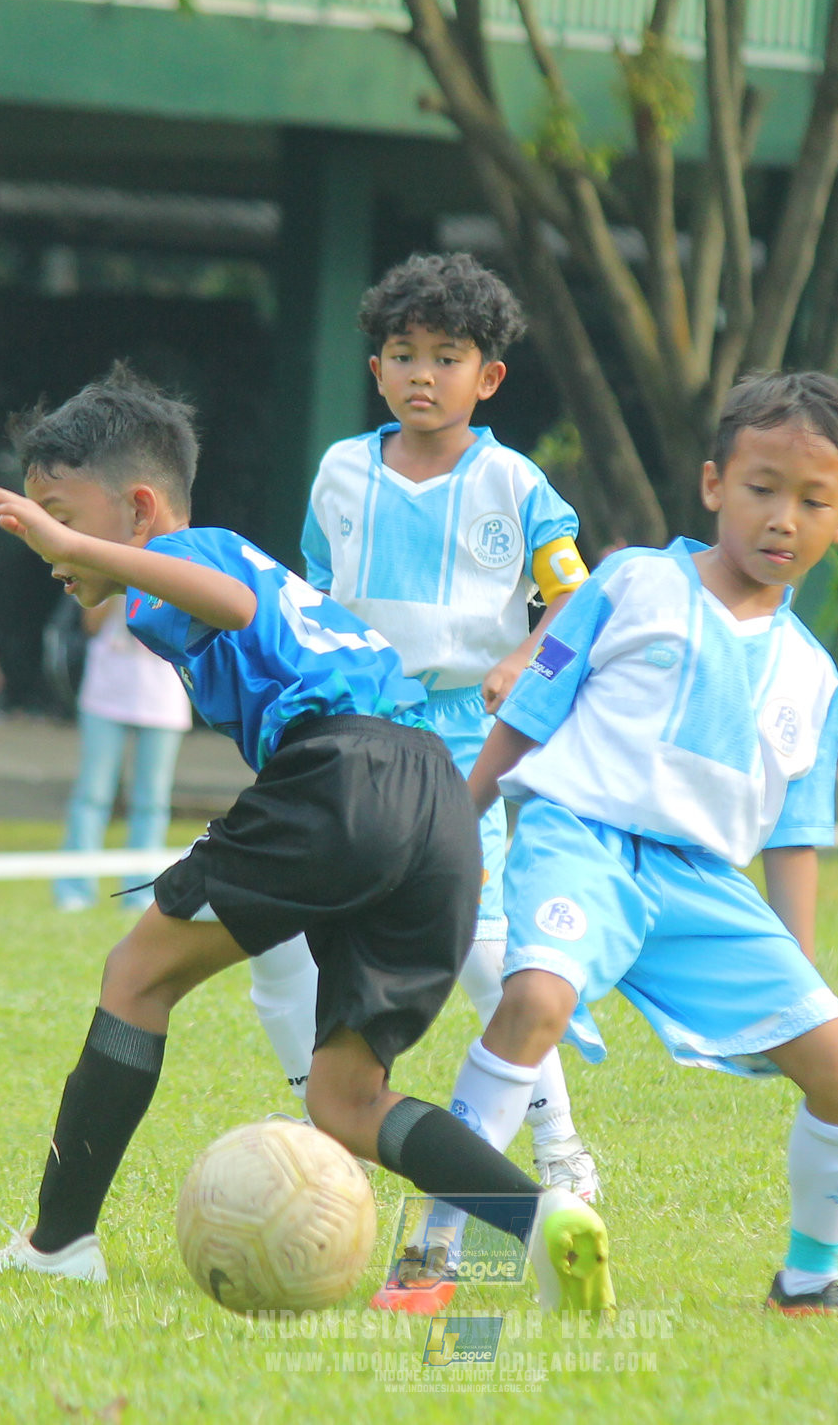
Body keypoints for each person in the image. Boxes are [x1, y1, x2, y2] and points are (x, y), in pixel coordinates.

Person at [0, 364, 613, 1312]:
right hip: (430, 794)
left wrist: (75, 544)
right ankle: (540, 1215)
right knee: (344, 1100)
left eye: (58, 512)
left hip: (351, 773)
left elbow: (227, 605)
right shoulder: (201, 574)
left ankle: (58, 1244)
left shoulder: (201, 555)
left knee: (136, 975)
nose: (44, 542)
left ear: (141, 507)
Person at [443, 371, 838, 1319]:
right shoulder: (632, 580)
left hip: (701, 887)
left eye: (814, 501)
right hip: (581, 844)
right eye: (763, 487)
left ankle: (809, 1282)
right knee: (533, 999)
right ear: (714, 484)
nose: (783, 518)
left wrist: (799, 970)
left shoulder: (813, 672)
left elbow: (797, 835)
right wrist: (460, 821)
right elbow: (534, 703)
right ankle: (437, 1252)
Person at [258, 253, 600, 1216]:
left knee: (491, 961)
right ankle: (324, 1126)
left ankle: (561, 1151)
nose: (420, 373)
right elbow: (314, 599)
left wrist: (519, 657)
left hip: (462, 749)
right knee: (280, 939)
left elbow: (576, 605)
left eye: (445, 357)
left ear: (486, 377)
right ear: (375, 370)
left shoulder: (516, 483)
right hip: (352, 733)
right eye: (402, 354)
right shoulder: (338, 474)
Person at [54, 596, 190, 913]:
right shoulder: (111, 561)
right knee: (92, 794)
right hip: (106, 692)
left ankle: (141, 892)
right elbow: (91, 624)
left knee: (152, 801)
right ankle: (75, 889)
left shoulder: (177, 561)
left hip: (163, 699)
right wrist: (117, 588)